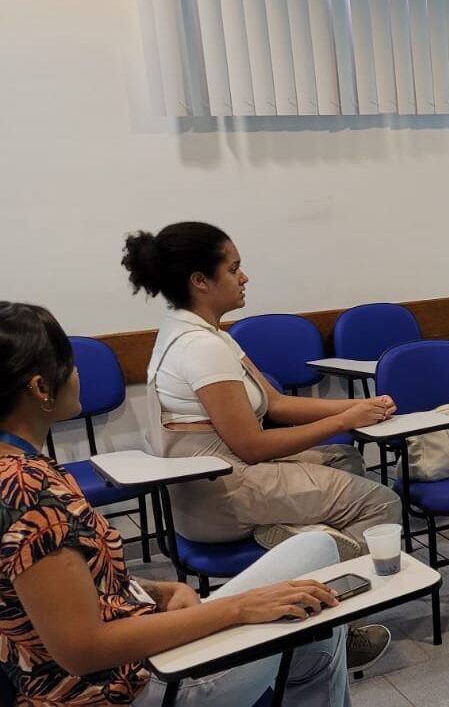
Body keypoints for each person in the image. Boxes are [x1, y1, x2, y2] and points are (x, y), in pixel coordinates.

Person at [0, 301, 356, 706]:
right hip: (129, 687)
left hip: (134, 649)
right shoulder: (26, 491)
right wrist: (238, 609)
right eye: (69, 363)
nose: (77, 373)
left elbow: (59, 592)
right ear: (41, 388)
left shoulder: (21, 471)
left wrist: (157, 593)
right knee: (317, 625)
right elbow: (83, 649)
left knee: (316, 555)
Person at [123, 222, 395, 667]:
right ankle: (334, 635)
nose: (244, 277)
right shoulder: (200, 348)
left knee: (344, 457)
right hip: (222, 494)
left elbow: (276, 403)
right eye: (234, 268)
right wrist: (345, 418)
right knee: (380, 504)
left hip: (224, 478)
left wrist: (359, 407)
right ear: (200, 281)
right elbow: (252, 446)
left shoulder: (204, 334)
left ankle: (303, 547)